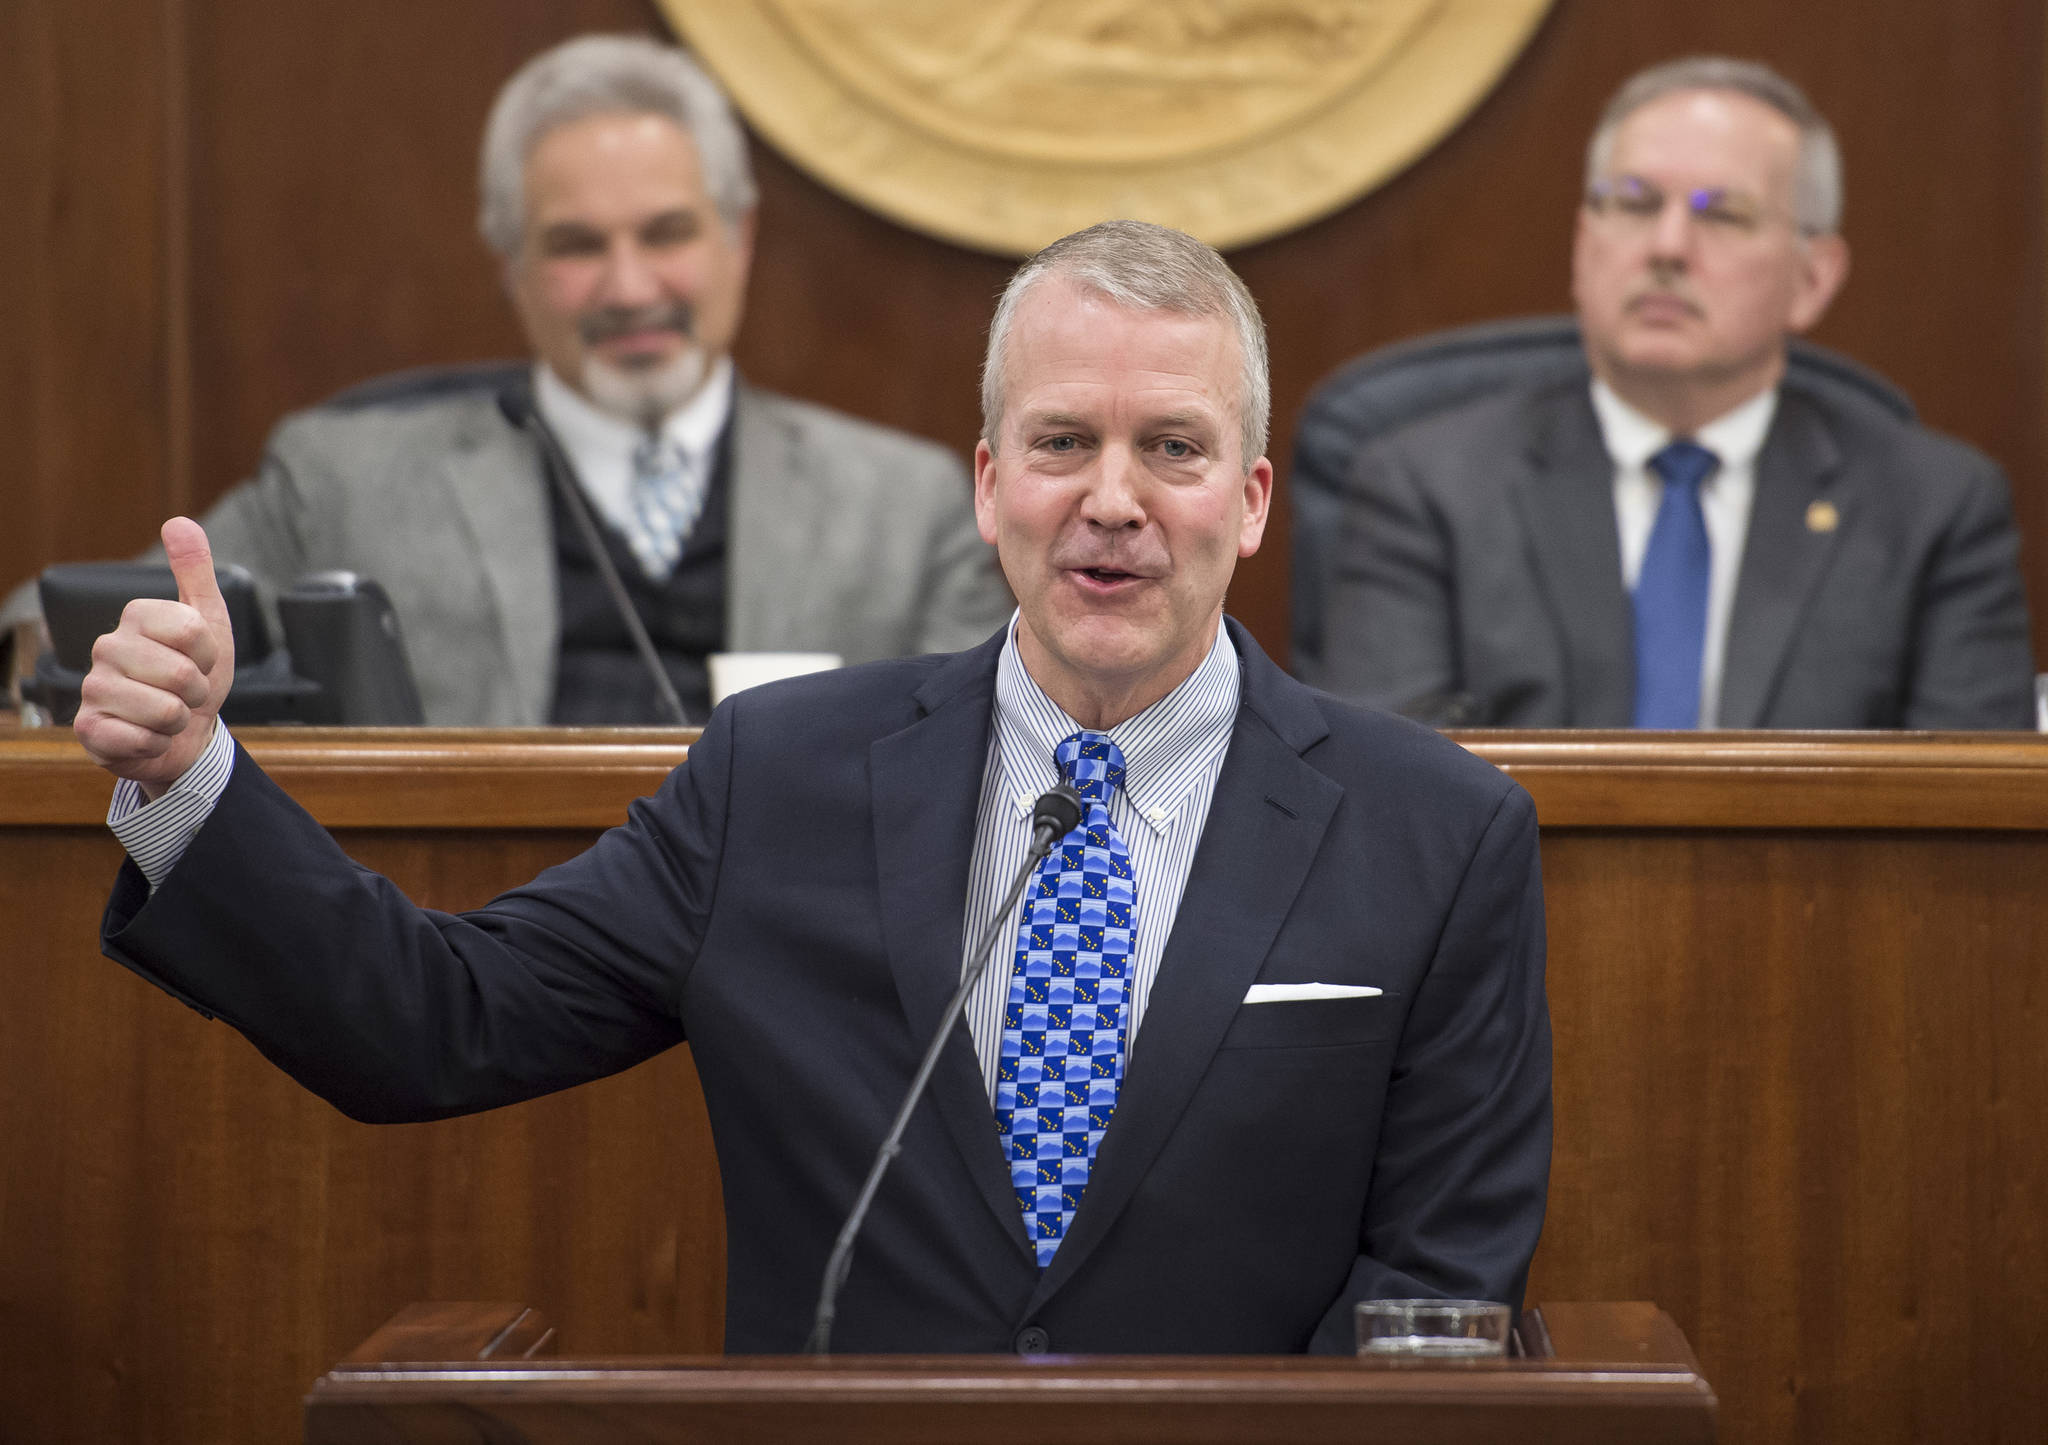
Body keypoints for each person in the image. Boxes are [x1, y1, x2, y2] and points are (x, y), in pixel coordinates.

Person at [76, 220, 1550, 1354]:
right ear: (988, 486)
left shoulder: (1437, 835)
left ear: (1250, 498)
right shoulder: (779, 779)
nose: (1113, 500)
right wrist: (190, 775)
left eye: (1172, 447)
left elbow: (1438, 1292)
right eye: (1061, 444)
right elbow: (430, 1021)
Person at [2, 35, 1010, 725]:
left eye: (665, 234)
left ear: (738, 240)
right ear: (512, 271)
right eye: (575, 245)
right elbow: (55, 639)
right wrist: (106, 661)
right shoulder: (346, 478)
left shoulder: (909, 510)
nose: (628, 286)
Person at [1313, 56, 2036, 729]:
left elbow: (1972, 827)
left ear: (1812, 277)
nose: (1666, 246)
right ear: (1582, 244)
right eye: (1631, 202)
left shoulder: (1934, 508)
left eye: (1721, 213)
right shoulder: (1427, 488)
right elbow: (1388, 802)